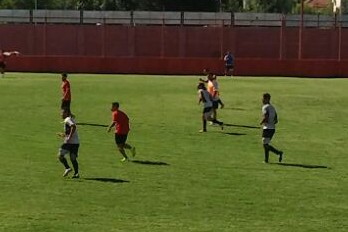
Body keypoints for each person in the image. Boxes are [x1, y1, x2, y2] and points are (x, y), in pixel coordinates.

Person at [260, 93, 283, 163]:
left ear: (267, 99)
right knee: (265, 144)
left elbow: (266, 116)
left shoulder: (265, 107)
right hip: (272, 128)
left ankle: (278, 152)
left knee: (264, 143)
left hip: (267, 128)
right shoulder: (272, 107)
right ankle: (266, 160)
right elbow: (276, 119)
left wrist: (262, 122)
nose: (262, 100)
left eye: (263, 98)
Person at [57, 109, 80, 178]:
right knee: (73, 158)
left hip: (69, 142)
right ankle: (76, 173)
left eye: (62, 113)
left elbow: (73, 126)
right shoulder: (69, 119)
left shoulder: (67, 119)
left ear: (66, 113)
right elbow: (70, 130)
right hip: (75, 142)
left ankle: (67, 168)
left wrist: (69, 137)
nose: (61, 114)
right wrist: (64, 135)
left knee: (60, 155)